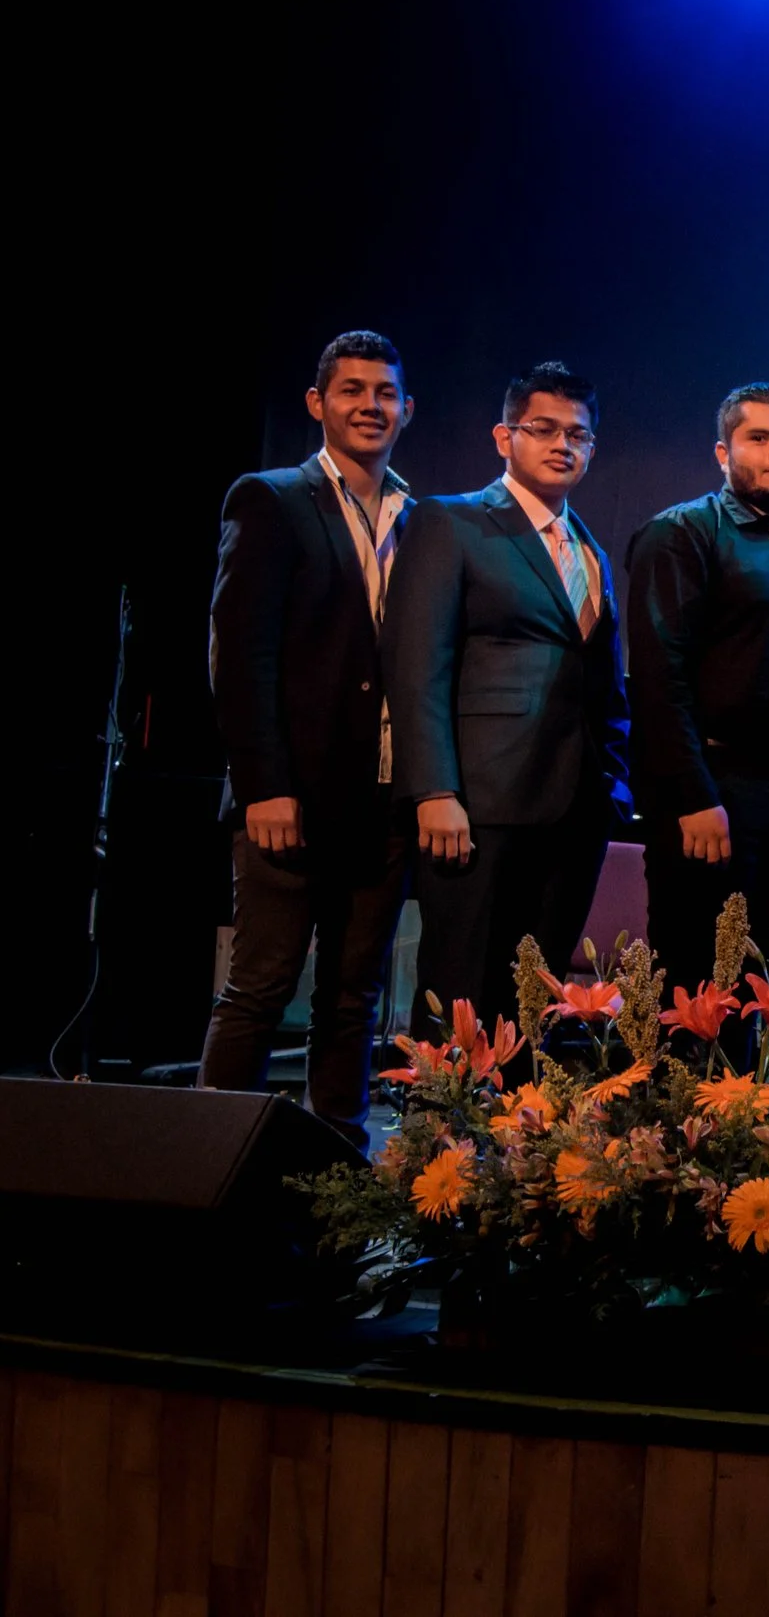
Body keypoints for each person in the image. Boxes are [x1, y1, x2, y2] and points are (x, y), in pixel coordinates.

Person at [201, 331, 416, 1146]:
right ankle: (211, 1165)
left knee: (354, 997)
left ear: (407, 409)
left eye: (385, 392)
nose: (370, 405)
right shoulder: (271, 498)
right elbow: (238, 656)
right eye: (352, 389)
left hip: (382, 801)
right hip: (290, 796)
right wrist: (264, 785)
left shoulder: (419, 516)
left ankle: (339, 1174)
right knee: (261, 988)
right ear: (317, 403)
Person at [385, 362, 632, 1036]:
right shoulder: (452, 521)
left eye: (577, 434)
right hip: (480, 805)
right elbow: (417, 666)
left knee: (534, 1005)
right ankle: (442, 1110)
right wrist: (434, 790)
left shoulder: (588, 548)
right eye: (543, 429)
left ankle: (520, 1112)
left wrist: (611, 785)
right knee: (461, 991)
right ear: (505, 437)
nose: (562, 445)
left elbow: (605, 684)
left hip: (576, 810)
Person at [627, 384, 769, 1002]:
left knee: (763, 990)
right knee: (694, 987)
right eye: (760, 438)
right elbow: (659, 680)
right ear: (723, 452)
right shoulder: (683, 533)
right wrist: (692, 795)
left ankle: (746, 1081)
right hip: (715, 788)